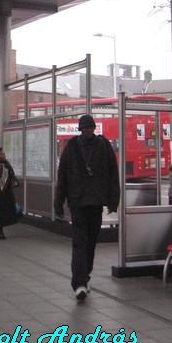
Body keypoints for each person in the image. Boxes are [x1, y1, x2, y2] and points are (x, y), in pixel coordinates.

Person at [54, 114, 120, 301]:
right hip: (78, 203)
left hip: (96, 203)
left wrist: (113, 201)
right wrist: (58, 203)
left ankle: (85, 277)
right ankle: (79, 283)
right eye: (85, 128)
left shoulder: (104, 145)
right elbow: (63, 177)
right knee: (79, 242)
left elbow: (113, 174)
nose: (88, 131)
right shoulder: (72, 148)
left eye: (90, 128)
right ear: (80, 129)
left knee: (90, 242)